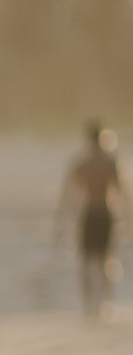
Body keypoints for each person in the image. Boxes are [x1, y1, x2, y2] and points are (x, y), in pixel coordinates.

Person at [57, 122, 126, 316]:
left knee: (87, 260)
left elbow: (67, 194)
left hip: (90, 214)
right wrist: (128, 219)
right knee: (105, 258)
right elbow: (123, 193)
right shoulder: (110, 163)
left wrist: (62, 219)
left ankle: (89, 303)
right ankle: (105, 301)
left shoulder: (82, 164)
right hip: (105, 213)